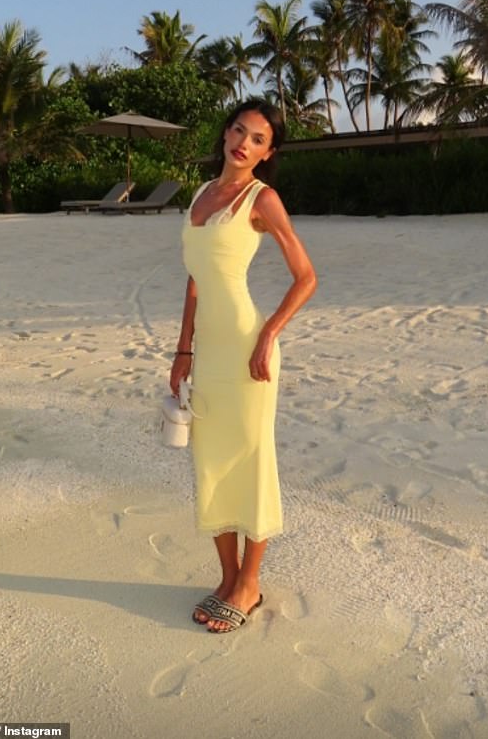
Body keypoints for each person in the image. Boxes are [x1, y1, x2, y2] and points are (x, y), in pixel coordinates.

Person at [170, 99, 317, 633]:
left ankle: (250, 583)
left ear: (268, 152)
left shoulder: (262, 199)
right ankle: (227, 577)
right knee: (210, 460)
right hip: (208, 351)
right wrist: (183, 349)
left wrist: (268, 335)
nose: (244, 143)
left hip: (248, 350)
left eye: (258, 139)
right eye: (239, 131)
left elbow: (306, 277)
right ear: (225, 133)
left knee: (251, 459)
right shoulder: (202, 196)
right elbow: (194, 279)